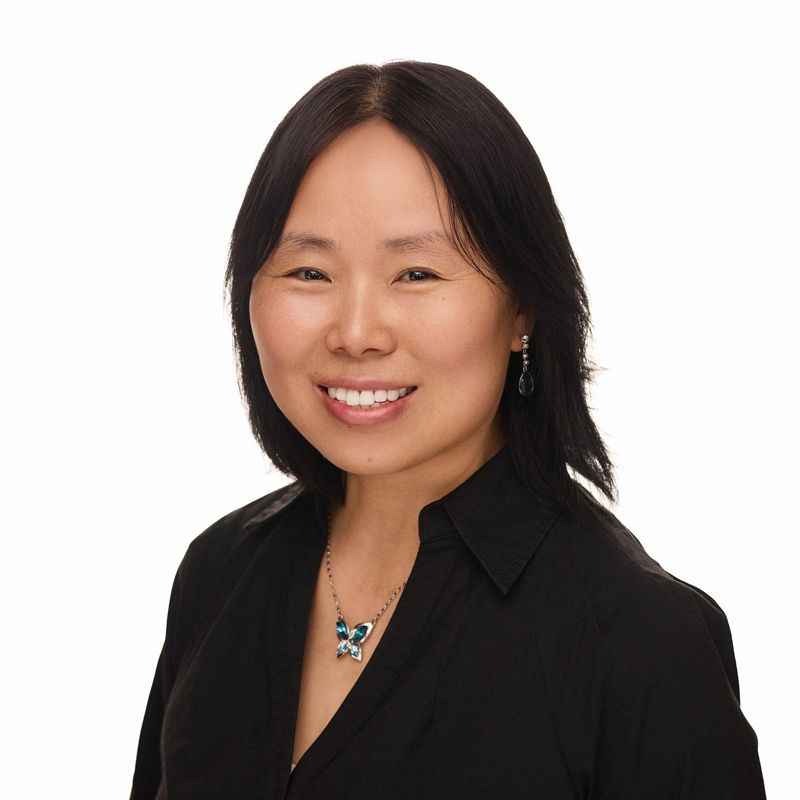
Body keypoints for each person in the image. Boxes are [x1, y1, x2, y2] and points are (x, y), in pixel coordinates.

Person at [129, 61, 767, 799]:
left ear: (523, 307)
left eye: (417, 274)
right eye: (309, 273)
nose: (357, 332)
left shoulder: (638, 642)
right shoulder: (219, 574)